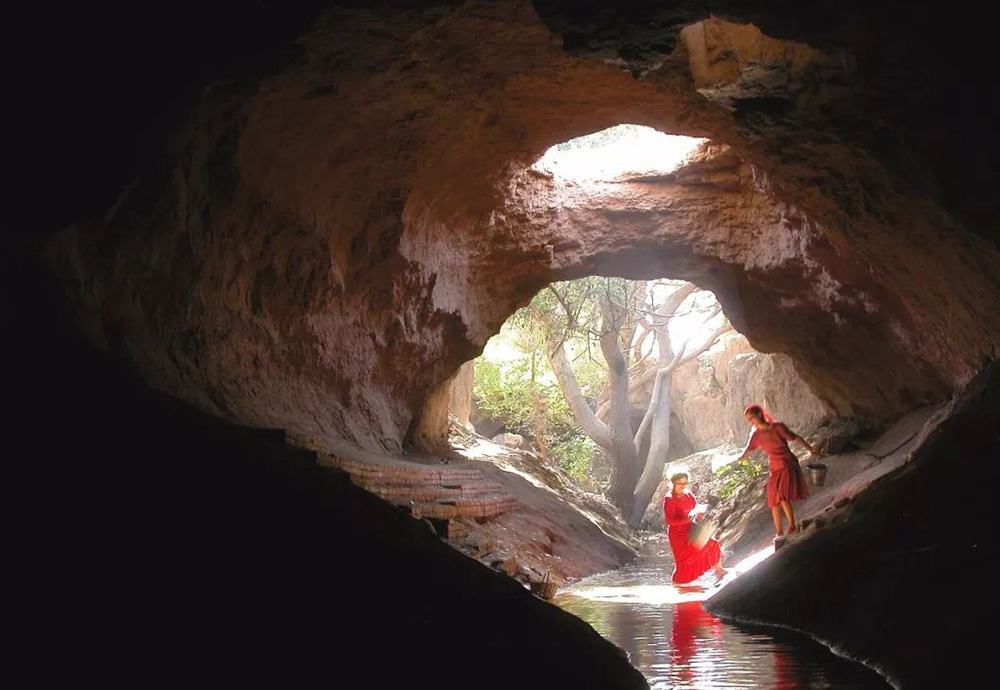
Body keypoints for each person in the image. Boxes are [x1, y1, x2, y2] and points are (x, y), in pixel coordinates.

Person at [735, 403, 823, 539]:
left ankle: (792, 525)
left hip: (787, 463)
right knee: (773, 499)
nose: (751, 421)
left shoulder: (777, 427)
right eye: (749, 419)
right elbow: (747, 452)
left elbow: (795, 437)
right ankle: (779, 531)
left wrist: (810, 448)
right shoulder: (756, 435)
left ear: (759, 414)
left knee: (782, 496)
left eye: (752, 417)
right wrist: (734, 459)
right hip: (774, 468)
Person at [663, 472, 726, 584]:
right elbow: (669, 520)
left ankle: (719, 571)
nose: (682, 486)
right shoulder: (669, 498)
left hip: (690, 527)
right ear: (673, 483)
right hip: (677, 534)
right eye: (679, 483)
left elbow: (695, 506)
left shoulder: (688, 494)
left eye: (685, 483)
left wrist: (699, 513)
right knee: (683, 562)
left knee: (712, 543)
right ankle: (678, 585)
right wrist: (685, 519)